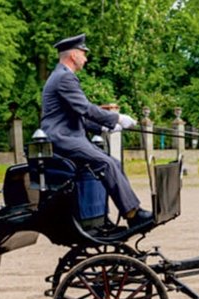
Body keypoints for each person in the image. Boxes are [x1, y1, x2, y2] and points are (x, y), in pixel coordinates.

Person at [40, 33, 153, 228]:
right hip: (62, 138)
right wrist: (116, 118)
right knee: (105, 163)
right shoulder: (64, 78)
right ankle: (132, 214)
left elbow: (78, 115)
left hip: (68, 135)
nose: (86, 58)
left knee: (113, 163)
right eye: (83, 53)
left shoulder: (62, 76)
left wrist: (103, 126)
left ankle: (103, 218)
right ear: (73, 55)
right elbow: (86, 108)